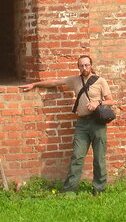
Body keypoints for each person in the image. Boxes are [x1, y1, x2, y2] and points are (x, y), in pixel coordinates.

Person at [19, 54, 114, 194]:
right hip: (82, 123)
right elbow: (55, 82)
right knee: (77, 156)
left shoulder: (101, 81)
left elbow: (111, 101)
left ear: (91, 65)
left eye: (87, 64)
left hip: (97, 123)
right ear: (78, 67)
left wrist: (97, 102)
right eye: (81, 65)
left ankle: (99, 189)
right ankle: (69, 190)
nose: (84, 67)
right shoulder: (75, 80)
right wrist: (35, 84)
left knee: (99, 158)